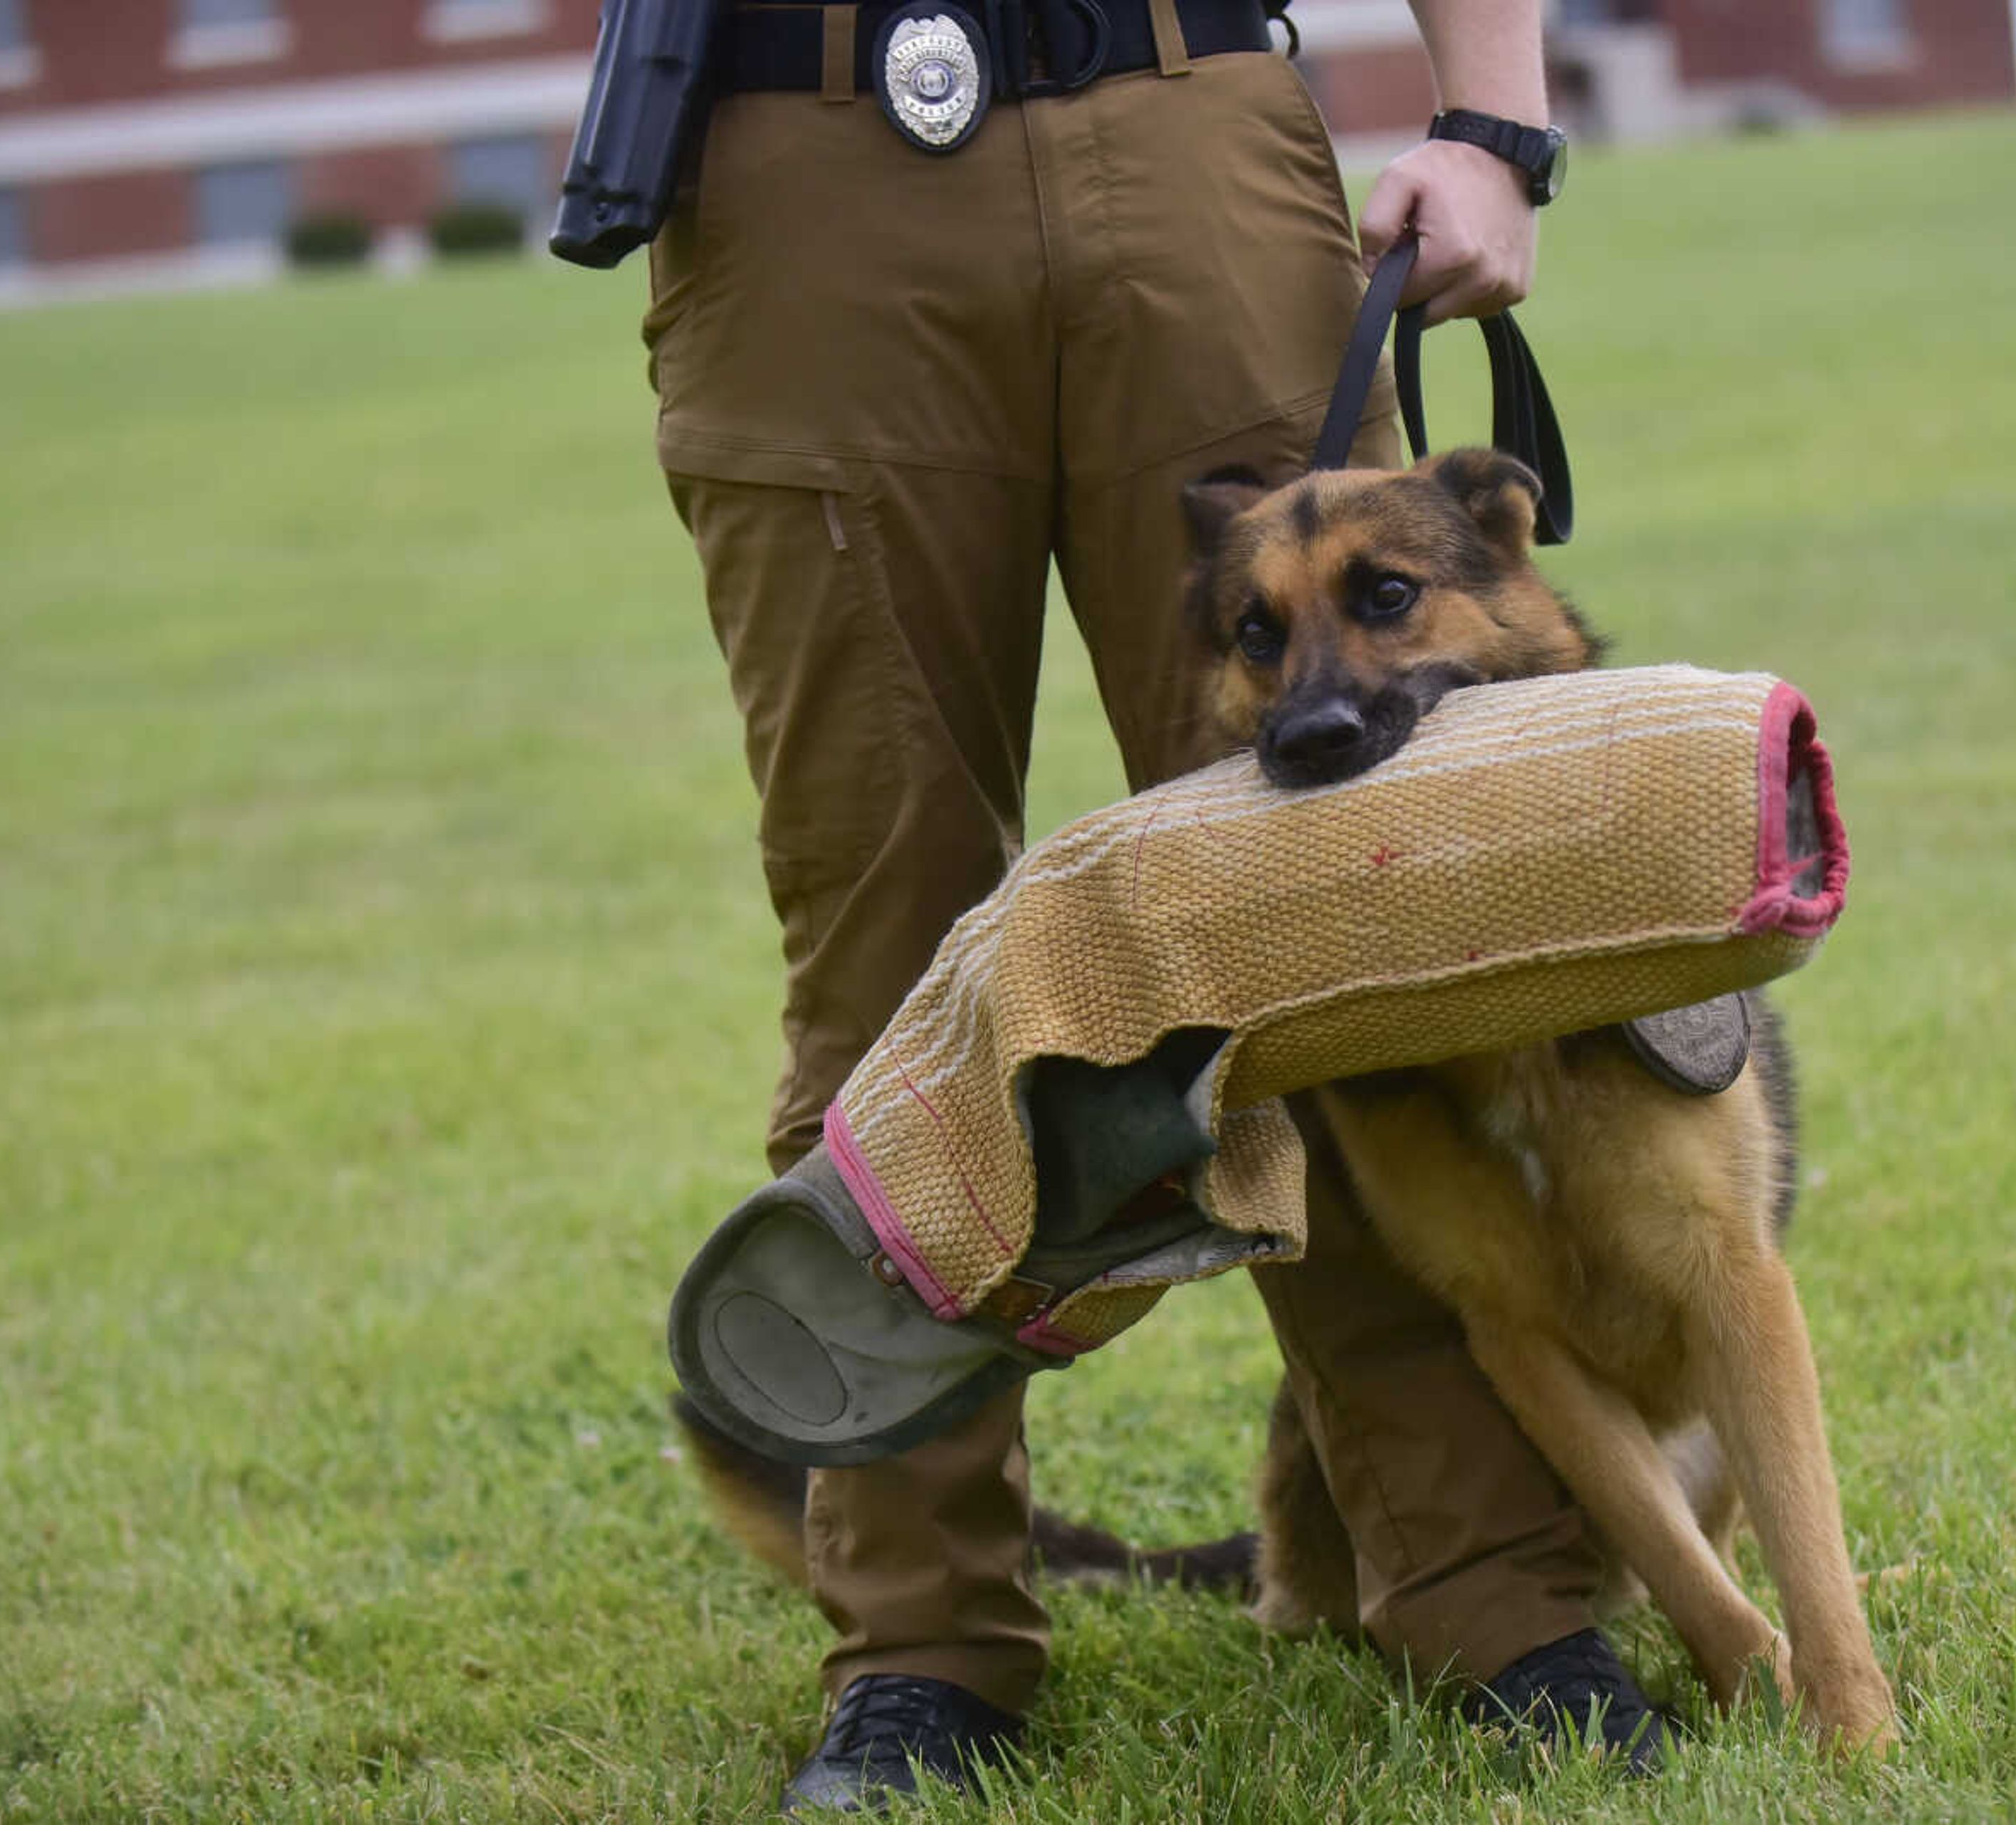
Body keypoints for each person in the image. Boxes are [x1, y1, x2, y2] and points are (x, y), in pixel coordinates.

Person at [640, 0, 1647, 1808]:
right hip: (797, 172)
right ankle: (923, 1645)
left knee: (1331, 908)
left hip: (1184, 129)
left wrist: (1497, 121)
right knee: (887, 945)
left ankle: (1490, 1587)